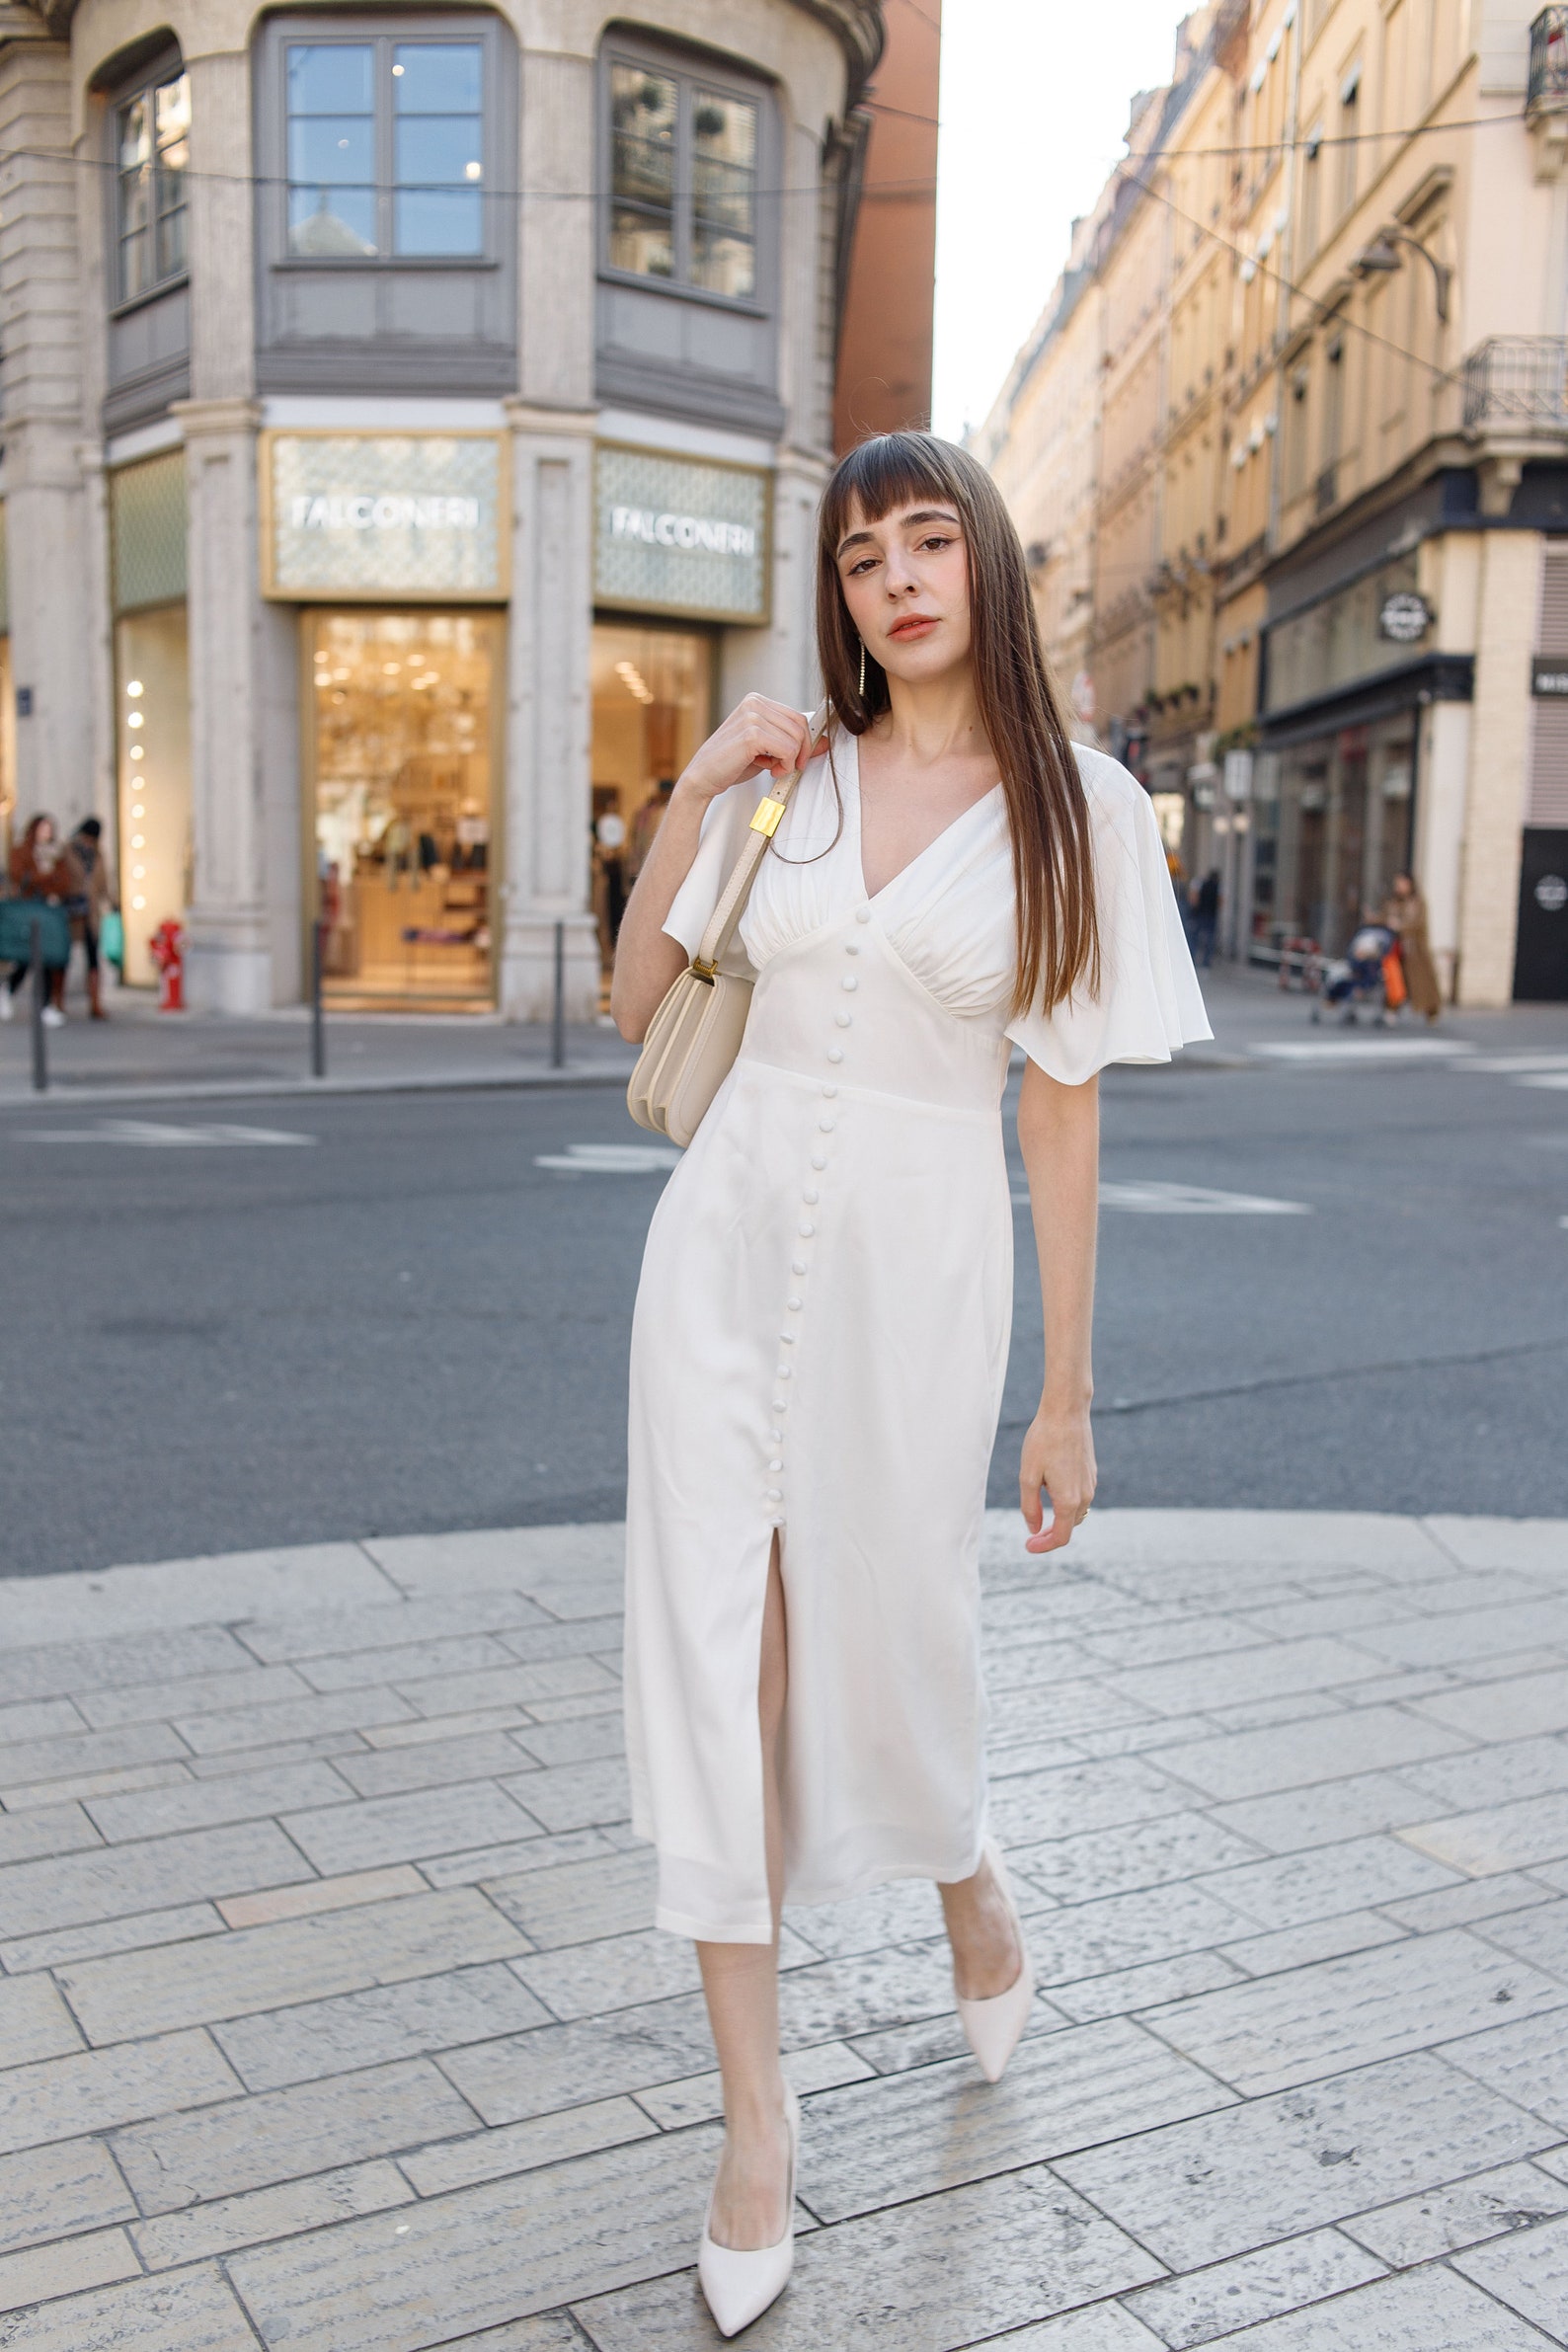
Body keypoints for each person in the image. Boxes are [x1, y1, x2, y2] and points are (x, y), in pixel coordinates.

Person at [610, 431, 1210, 2338]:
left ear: (986, 563)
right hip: (714, 1260)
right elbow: (639, 1004)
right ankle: (754, 2124)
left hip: (918, 1275)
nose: (895, 577)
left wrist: (1068, 1392)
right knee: (719, 1660)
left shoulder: (1080, 808)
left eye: (927, 538)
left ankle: (964, 1867)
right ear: (839, 595)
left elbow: (1061, 1114)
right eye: (860, 553)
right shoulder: (785, 782)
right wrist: (700, 779)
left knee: (890, 1634)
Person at [1, 814, 78, 1026]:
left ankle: (45, 1006)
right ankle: (7, 991)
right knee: (24, 958)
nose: (46, 833)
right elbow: (19, 875)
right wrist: (46, 876)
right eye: (42, 829)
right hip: (26, 911)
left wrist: (48, 882)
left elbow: (64, 882)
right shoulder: (22, 851)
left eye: (49, 829)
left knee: (47, 958)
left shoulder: (58, 854)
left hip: (49, 914)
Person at [67, 816, 118, 1021]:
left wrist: (113, 901)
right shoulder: (68, 850)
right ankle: (57, 1000)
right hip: (70, 911)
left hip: (91, 914)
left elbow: (104, 881)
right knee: (61, 955)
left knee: (93, 956)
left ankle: (95, 1002)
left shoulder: (98, 854)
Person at [1382, 871, 1441, 1022]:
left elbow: (1417, 924)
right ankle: (1391, 1009)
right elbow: (1384, 917)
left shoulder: (1417, 902)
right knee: (1395, 978)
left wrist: (1400, 926)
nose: (1398, 887)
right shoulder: (1394, 902)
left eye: (1401, 883)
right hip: (1396, 947)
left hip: (1415, 951)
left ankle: (1431, 1011)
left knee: (1422, 983)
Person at [626, 775, 675, 883]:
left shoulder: (673, 811)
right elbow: (636, 836)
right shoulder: (646, 812)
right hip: (646, 856)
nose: (665, 795)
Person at [1191, 867, 1219, 968]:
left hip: (1201, 913)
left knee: (1196, 936)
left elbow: (1196, 898)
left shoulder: (1203, 885)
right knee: (1210, 939)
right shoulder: (1217, 887)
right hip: (1211, 915)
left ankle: (1192, 956)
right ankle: (1206, 960)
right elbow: (1221, 902)